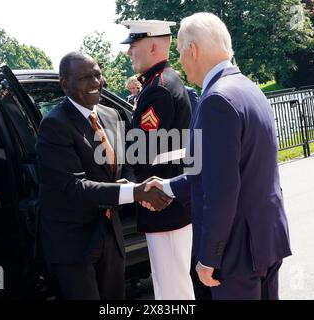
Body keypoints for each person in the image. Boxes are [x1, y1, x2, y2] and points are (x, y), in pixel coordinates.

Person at [143, 12, 292, 300]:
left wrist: (210, 256)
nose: (180, 62)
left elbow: (221, 190)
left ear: (193, 50)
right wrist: (167, 186)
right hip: (264, 240)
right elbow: (222, 172)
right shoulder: (248, 88)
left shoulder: (216, 100)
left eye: (180, 52)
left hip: (237, 253)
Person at [35, 52, 172, 300]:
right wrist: (133, 192)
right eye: (86, 77)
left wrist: (132, 184)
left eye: (97, 74)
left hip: (110, 233)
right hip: (72, 241)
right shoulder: (55, 125)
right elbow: (75, 186)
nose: (96, 82)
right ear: (65, 83)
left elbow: (126, 163)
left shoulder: (111, 115)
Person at [121, 20, 195, 300]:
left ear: (152, 45)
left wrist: (131, 184)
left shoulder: (158, 88)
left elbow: (141, 150)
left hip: (162, 200)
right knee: (171, 282)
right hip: (167, 198)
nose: (129, 52)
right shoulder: (161, 82)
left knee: (172, 288)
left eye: (133, 45)